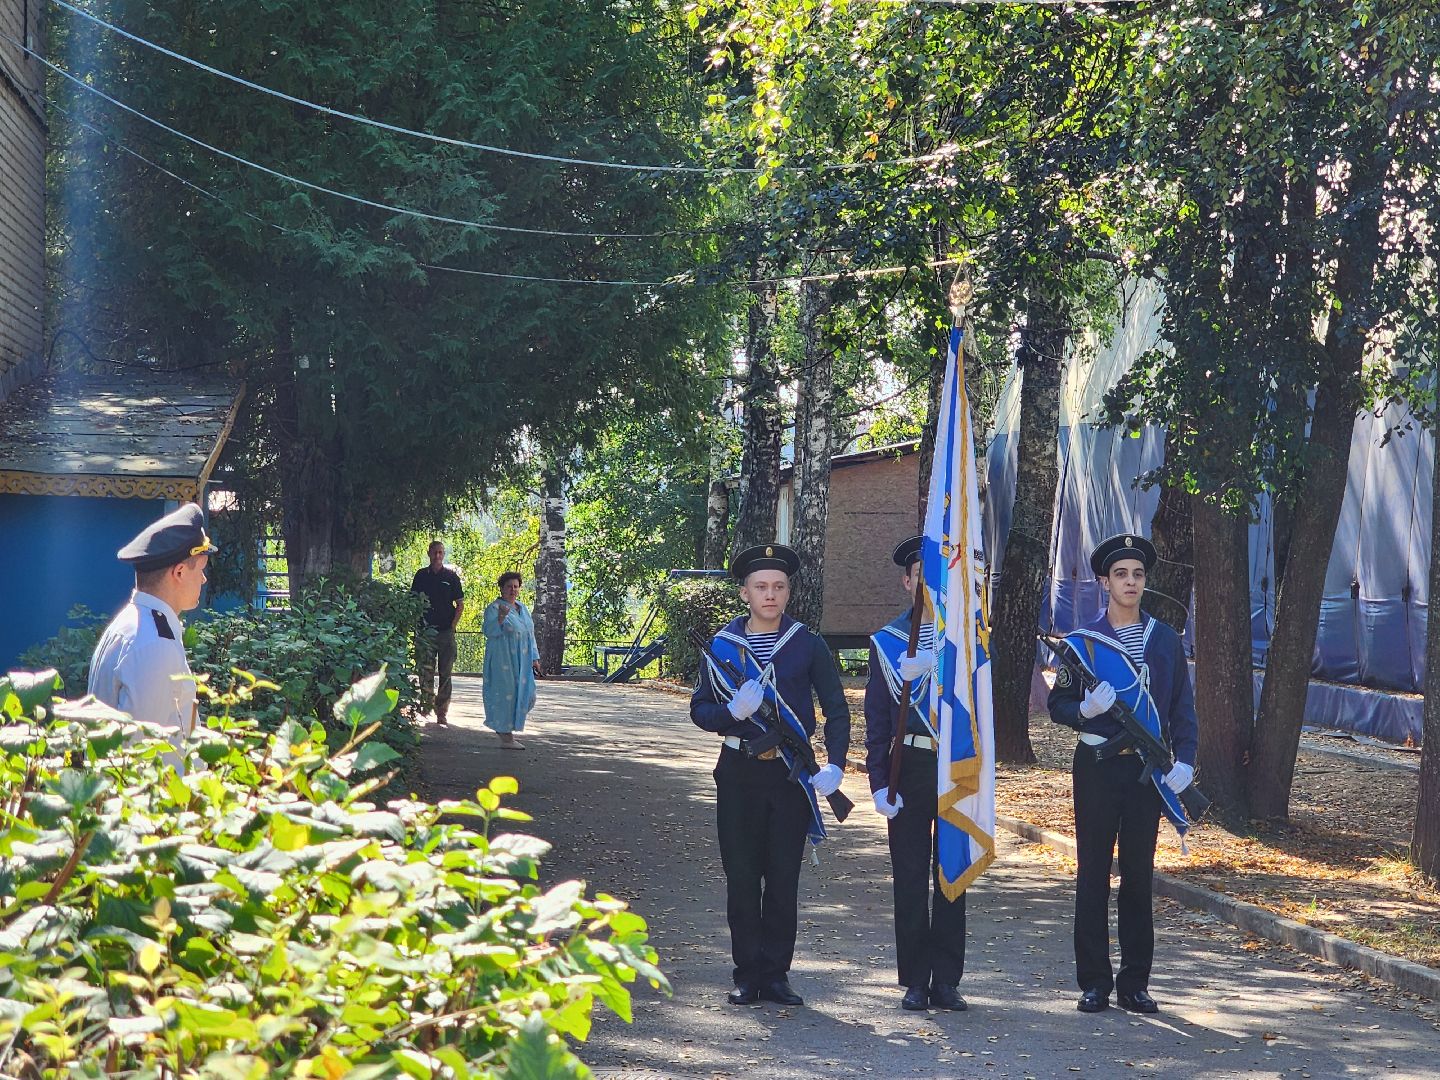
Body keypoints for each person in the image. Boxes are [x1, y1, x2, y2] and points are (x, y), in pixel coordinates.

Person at [690, 543, 850, 1008]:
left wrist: (836, 763)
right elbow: (699, 710)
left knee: (782, 880)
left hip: (788, 776)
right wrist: (731, 713)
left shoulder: (807, 643)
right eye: (760, 587)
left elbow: (836, 709)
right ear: (744, 593)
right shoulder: (722, 647)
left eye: (779, 587)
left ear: (788, 592)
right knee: (742, 879)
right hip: (738, 773)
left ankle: (776, 975)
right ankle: (747, 975)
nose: (770, 595)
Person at [1047, 533, 1198, 1015]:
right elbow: (1057, 704)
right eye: (1120, 574)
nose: (1130, 582)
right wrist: (1085, 710)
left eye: (1137, 574)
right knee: (1092, 872)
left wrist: (1186, 760)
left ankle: (1135, 982)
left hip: (1145, 772)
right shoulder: (1082, 643)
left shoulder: (1165, 639)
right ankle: (1094, 982)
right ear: (1104, 582)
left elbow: (1182, 708)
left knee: (1138, 874)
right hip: (1096, 767)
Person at [864, 535, 968, 1012]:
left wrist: (942, 666)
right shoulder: (887, 642)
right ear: (907, 582)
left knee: (951, 872)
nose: (926, 585)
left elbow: (979, 707)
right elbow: (877, 722)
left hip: (955, 765)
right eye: (918, 576)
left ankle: (946, 979)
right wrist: (879, 782)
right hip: (909, 765)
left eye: (935, 577)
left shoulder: (964, 640)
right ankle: (914, 979)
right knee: (908, 876)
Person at [88, 502, 217, 759]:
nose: (203, 579)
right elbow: (142, 753)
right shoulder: (154, 643)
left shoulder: (132, 624)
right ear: (179, 572)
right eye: (201, 568)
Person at [482, 571, 541, 748]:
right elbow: (488, 630)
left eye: (515, 586)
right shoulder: (494, 608)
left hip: (523, 659)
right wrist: (501, 618)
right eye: (509, 586)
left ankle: (506, 729)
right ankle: (505, 736)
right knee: (505, 696)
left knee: (529, 695)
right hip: (503, 659)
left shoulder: (523, 609)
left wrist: (535, 657)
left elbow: (530, 634)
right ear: (501, 588)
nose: (512, 590)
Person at [410, 541, 464, 725]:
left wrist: (453, 626)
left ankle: (442, 711)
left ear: (444, 554)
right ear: (429, 553)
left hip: (446, 632)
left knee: (445, 673)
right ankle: (426, 707)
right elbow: (413, 602)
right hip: (425, 632)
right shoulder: (421, 576)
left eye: (440, 552)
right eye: (434, 552)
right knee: (425, 671)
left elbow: (460, 604)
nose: (437, 556)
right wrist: (417, 625)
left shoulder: (451, 577)